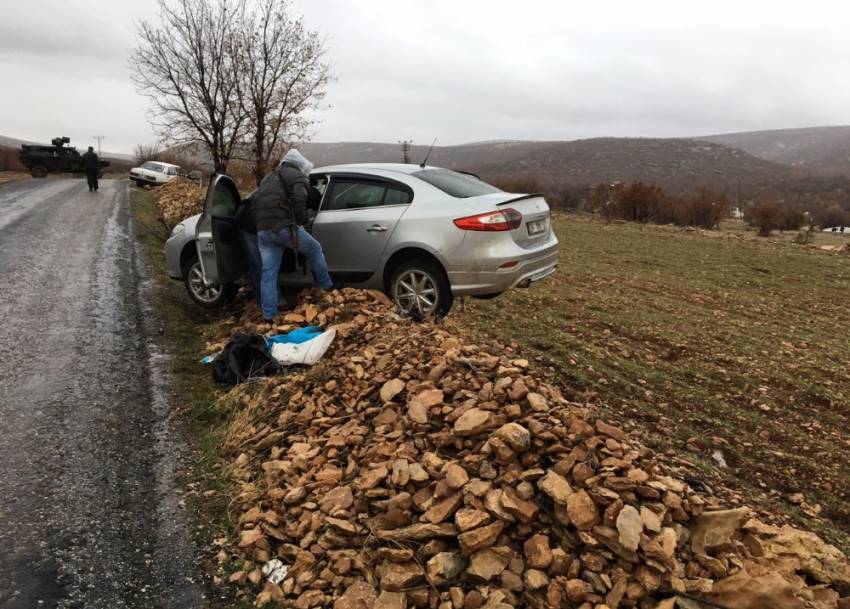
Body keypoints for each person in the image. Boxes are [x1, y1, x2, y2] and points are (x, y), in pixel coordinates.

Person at [253, 149, 333, 323]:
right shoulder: (298, 177)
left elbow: (255, 200)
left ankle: (269, 315)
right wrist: (301, 220)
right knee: (314, 249)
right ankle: (326, 287)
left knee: (268, 273)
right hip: (284, 227)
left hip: (263, 230)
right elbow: (299, 200)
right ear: (299, 165)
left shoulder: (268, 177)